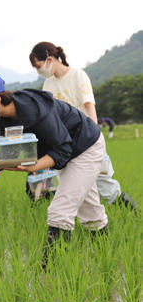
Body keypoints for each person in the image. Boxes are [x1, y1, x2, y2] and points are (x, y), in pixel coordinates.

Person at [0, 73, 109, 267]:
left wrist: (35, 166)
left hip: (86, 147)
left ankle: (51, 274)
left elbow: (63, 149)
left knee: (60, 212)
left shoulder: (36, 111)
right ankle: (105, 257)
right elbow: (8, 151)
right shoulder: (1, 121)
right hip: (68, 151)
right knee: (90, 212)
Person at [29, 41, 140, 212]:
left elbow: (90, 108)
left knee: (105, 188)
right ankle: (86, 226)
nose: (38, 71)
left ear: (49, 60)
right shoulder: (48, 85)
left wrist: (96, 140)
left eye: (38, 66)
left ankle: (135, 213)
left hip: (86, 139)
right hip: (65, 144)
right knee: (72, 189)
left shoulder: (77, 76)